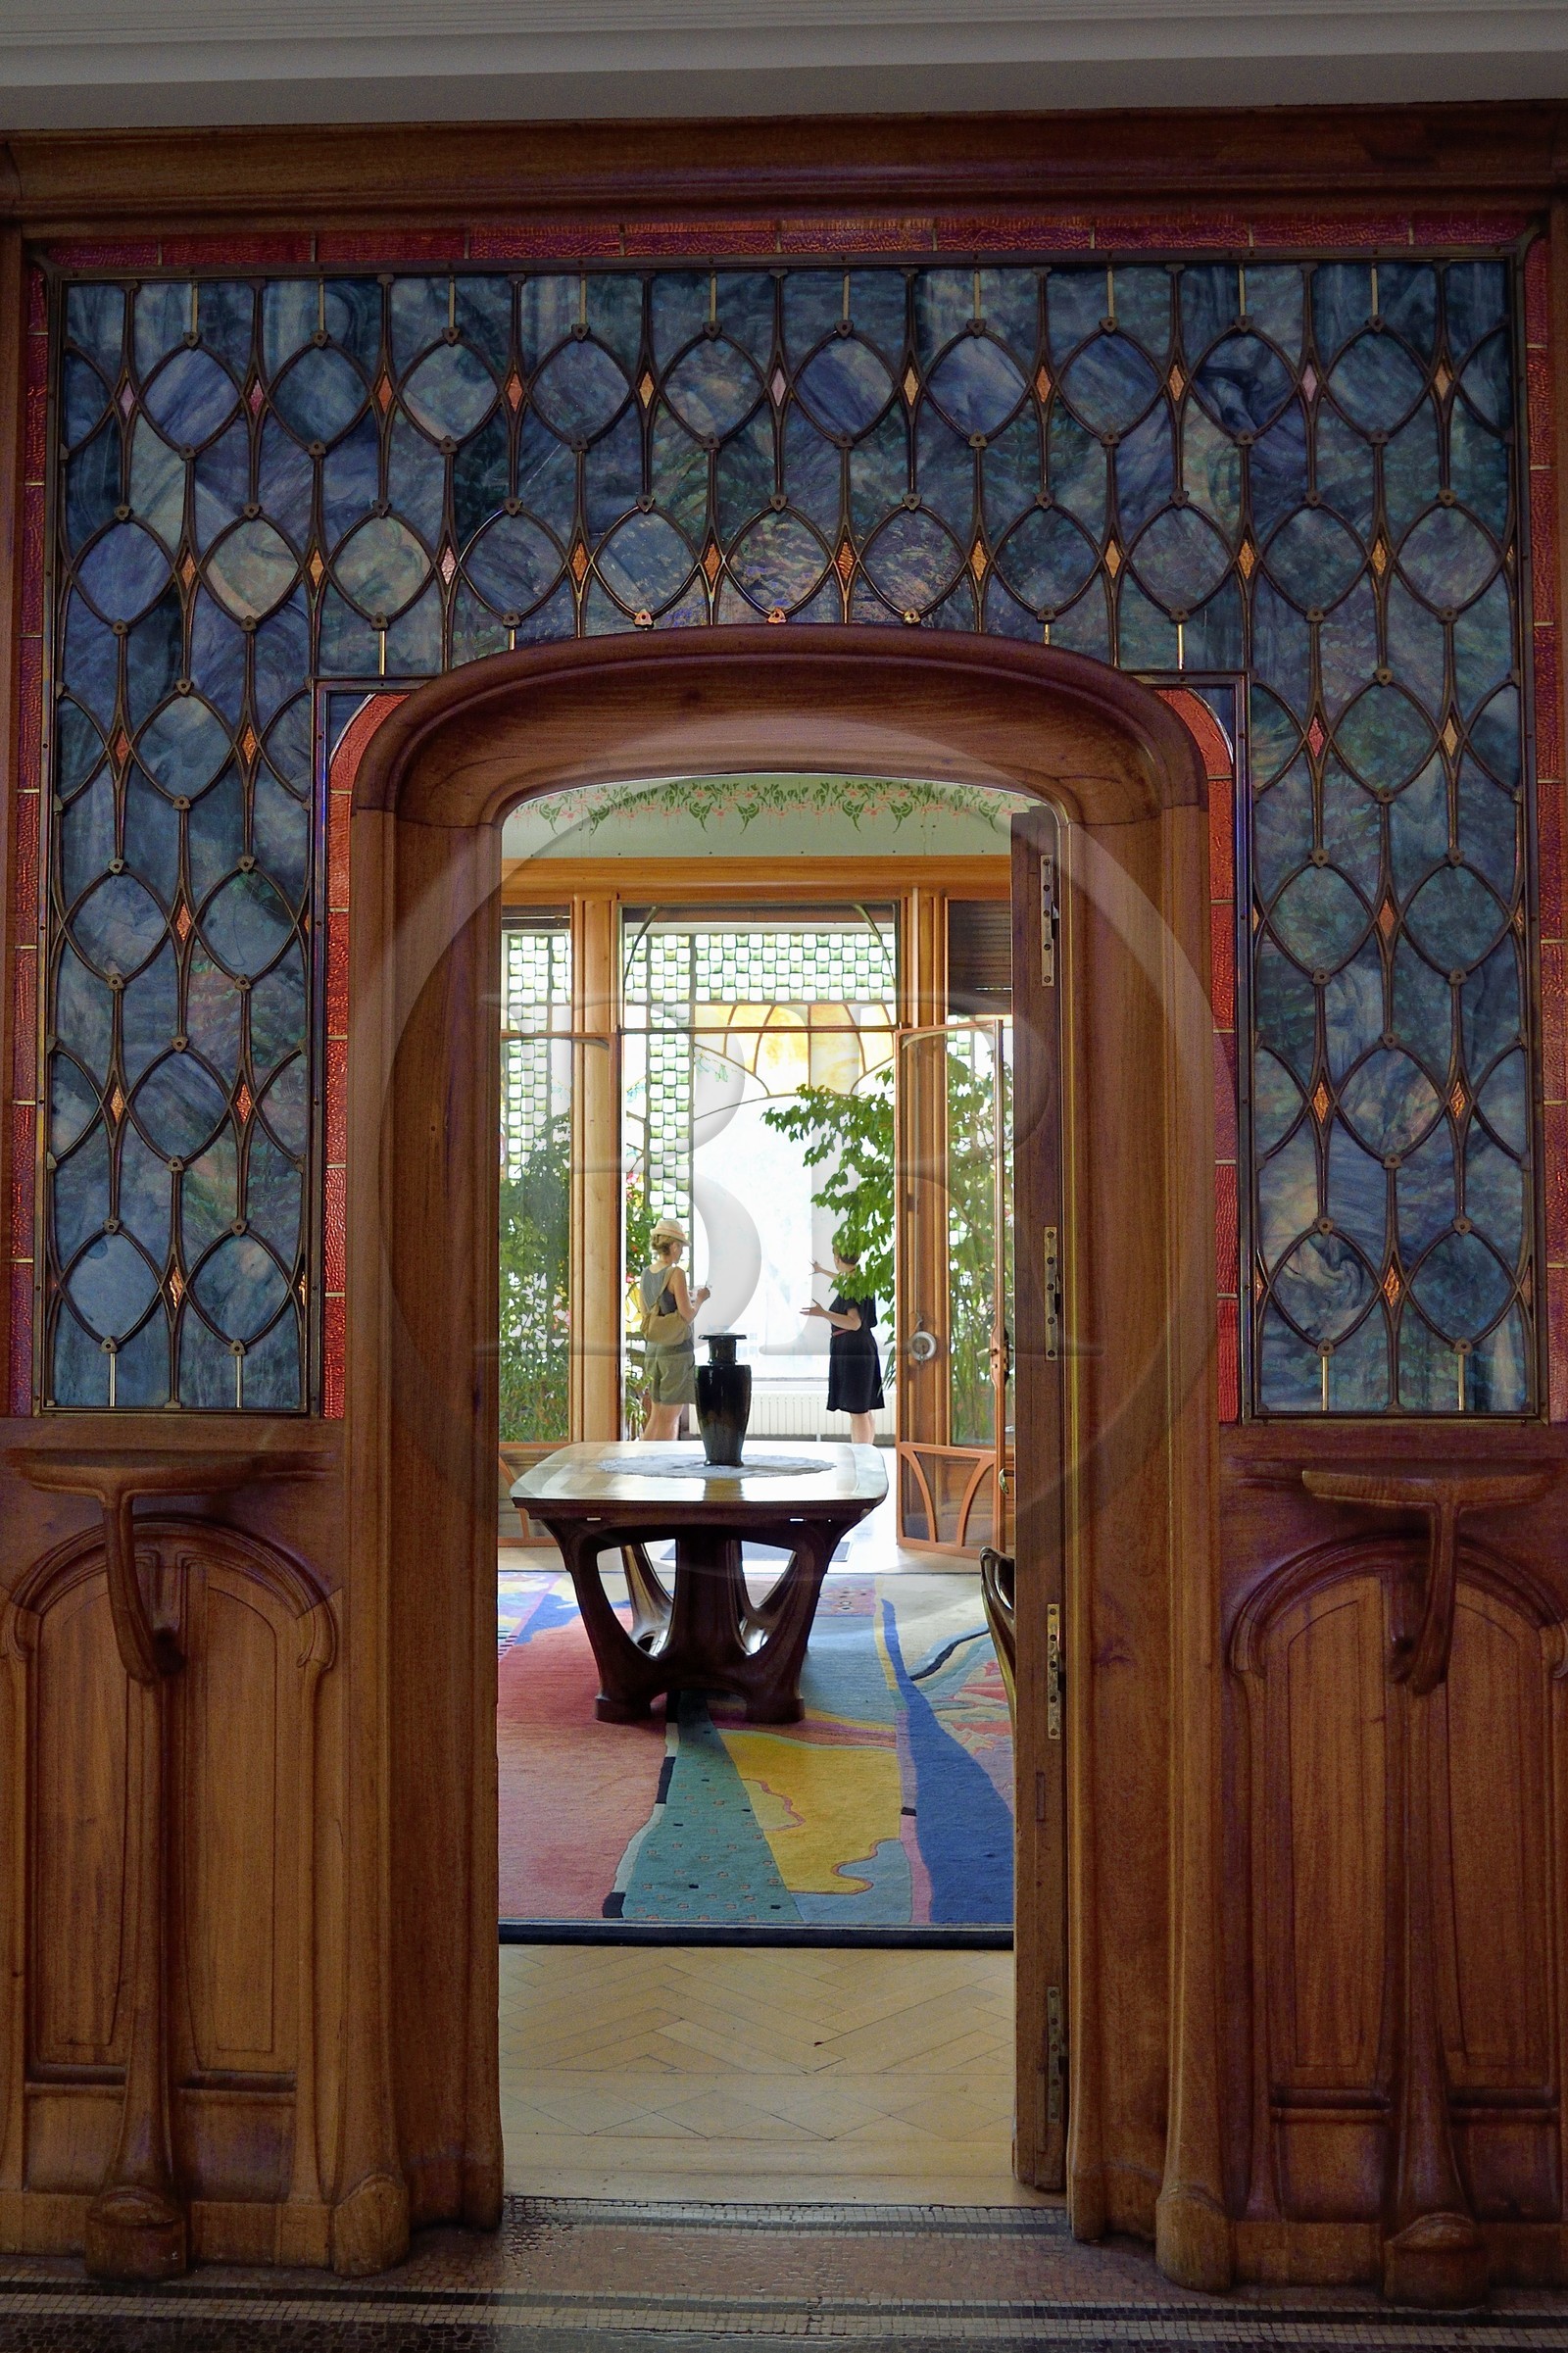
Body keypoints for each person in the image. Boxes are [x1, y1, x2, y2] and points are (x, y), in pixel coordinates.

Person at [802, 1240, 884, 1446]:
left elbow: (854, 1323)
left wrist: (823, 1313)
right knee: (864, 1408)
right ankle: (867, 1453)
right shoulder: (860, 1280)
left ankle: (861, 1454)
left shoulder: (851, 1286)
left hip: (853, 1349)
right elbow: (843, 1279)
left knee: (858, 1410)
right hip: (864, 1346)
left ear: (837, 1258)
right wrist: (822, 1271)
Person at [638, 1217, 710, 1442]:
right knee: (670, 1419)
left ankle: (643, 1460)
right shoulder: (676, 1273)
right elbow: (687, 1315)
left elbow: (646, 1312)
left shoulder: (646, 1274)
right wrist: (700, 1298)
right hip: (675, 1353)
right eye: (681, 1248)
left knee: (656, 1416)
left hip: (654, 1351)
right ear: (675, 1246)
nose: (681, 1253)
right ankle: (663, 1462)